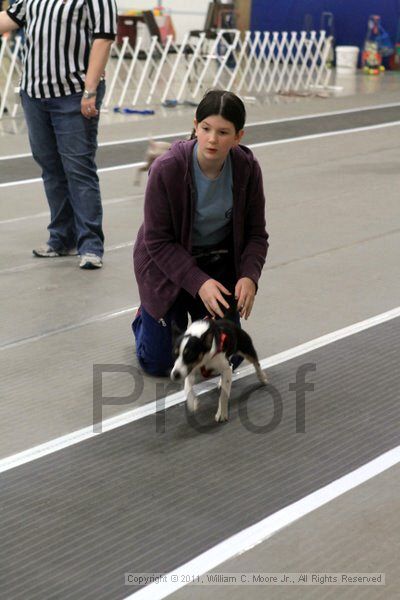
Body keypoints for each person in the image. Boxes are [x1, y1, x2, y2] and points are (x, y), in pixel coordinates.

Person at [133, 89, 269, 376]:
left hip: (216, 263)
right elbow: (156, 241)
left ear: (238, 137)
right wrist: (198, 282)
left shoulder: (247, 169)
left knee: (224, 360)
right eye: (205, 129)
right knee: (159, 364)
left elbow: (257, 235)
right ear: (195, 125)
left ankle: (188, 316)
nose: (212, 139)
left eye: (223, 132)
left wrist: (249, 276)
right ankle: (145, 317)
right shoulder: (166, 169)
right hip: (165, 265)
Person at [0, 0, 117, 269]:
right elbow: (11, 18)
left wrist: (90, 90)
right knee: (50, 168)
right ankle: (62, 238)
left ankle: (90, 244)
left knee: (78, 168)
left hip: (74, 94)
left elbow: (104, 38)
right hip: (35, 94)